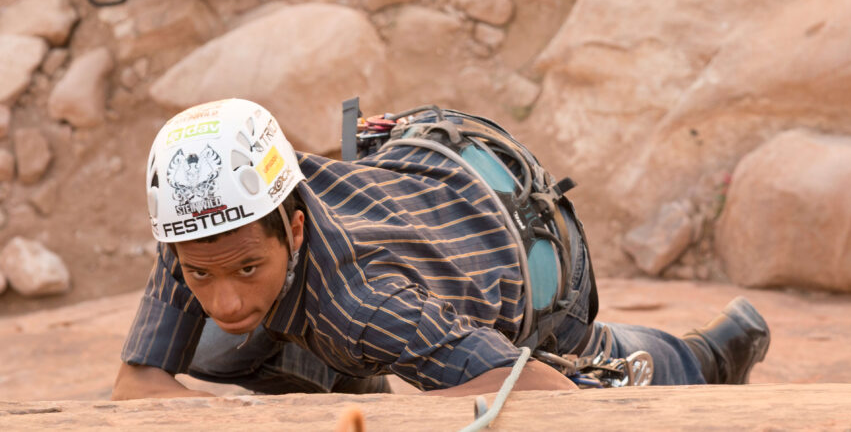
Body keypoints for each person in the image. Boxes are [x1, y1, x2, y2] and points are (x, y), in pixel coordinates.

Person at [113, 98, 770, 399]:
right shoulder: (207, 221)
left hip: (528, 256)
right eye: (201, 274)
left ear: (296, 227)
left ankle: (709, 354)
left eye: (247, 268)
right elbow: (136, 382)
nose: (225, 298)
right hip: (429, 191)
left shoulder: (364, 304)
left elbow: (532, 385)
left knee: (583, 365)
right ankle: (358, 384)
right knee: (217, 347)